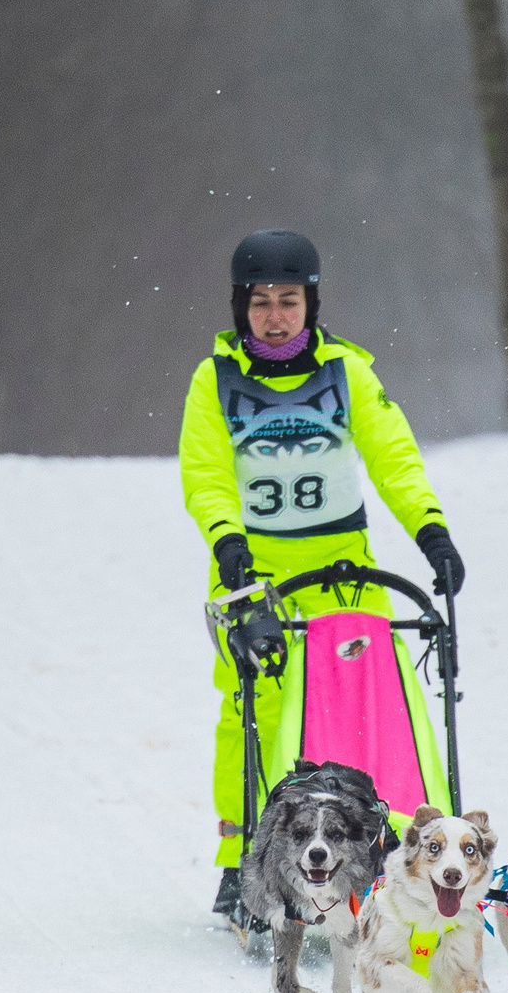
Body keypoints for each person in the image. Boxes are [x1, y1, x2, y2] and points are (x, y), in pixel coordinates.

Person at [180, 228, 464, 927]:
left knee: (365, 709)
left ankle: (385, 849)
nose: (275, 316)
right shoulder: (213, 380)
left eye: (289, 301)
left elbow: (393, 455)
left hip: (344, 574)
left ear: (310, 303)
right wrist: (228, 545)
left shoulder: (348, 372)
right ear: (240, 307)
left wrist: (431, 529)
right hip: (257, 575)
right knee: (256, 713)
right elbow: (207, 473)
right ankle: (240, 855)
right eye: (261, 303)